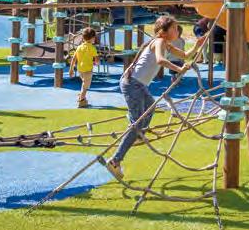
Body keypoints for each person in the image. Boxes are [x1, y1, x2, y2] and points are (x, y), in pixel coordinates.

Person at [103, 16, 189, 180]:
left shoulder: (165, 43)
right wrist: (179, 70)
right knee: (137, 122)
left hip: (138, 84)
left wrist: (199, 44)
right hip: (132, 83)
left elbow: (185, 54)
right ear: (163, 31)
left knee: (150, 107)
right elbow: (160, 60)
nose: (177, 30)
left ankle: (137, 133)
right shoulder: (159, 42)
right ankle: (115, 160)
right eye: (174, 28)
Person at [68, 27, 99, 108]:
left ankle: (82, 97)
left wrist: (71, 69)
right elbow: (96, 60)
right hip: (88, 70)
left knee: (84, 83)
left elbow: (74, 58)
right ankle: (81, 100)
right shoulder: (92, 48)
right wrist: (96, 63)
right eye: (94, 37)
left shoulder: (79, 47)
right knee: (85, 87)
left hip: (80, 70)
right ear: (92, 38)